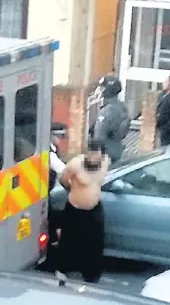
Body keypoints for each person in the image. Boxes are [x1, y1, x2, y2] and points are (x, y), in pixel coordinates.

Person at [55, 139, 109, 285]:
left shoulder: (105, 163)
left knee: (95, 244)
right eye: (89, 154)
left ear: (101, 156)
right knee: (68, 241)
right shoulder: (75, 164)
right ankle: (62, 271)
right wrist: (75, 192)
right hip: (75, 210)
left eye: (95, 155)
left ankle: (92, 275)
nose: (91, 158)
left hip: (94, 210)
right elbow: (63, 180)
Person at [91, 76, 131, 164]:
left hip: (105, 156)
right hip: (117, 151)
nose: (99, 90)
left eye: (102, 88)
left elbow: (98, 138)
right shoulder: (122, 107)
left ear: (107, 90)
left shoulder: (106, 111)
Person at [48, 123, 67, 245]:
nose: (61, 140)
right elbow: (62, 169)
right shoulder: (49, 152)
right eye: (59, 137)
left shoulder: (53, 148)